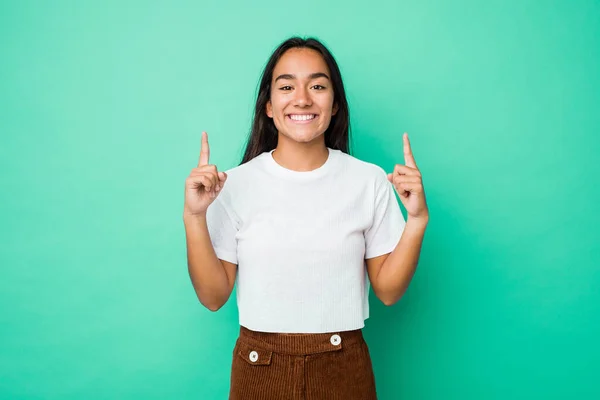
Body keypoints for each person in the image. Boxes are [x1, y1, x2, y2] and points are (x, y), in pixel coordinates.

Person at [183, 36, 429, 400]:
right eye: (286, 86)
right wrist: (194, 216)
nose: (302, 98)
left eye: (317, 85)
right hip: (259, 367)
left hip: (343, 366)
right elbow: (213, 296)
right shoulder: (233, 184)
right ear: (268, 105)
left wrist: (417, 220)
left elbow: (389, 291)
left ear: (335, 105)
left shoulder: (369, 180)